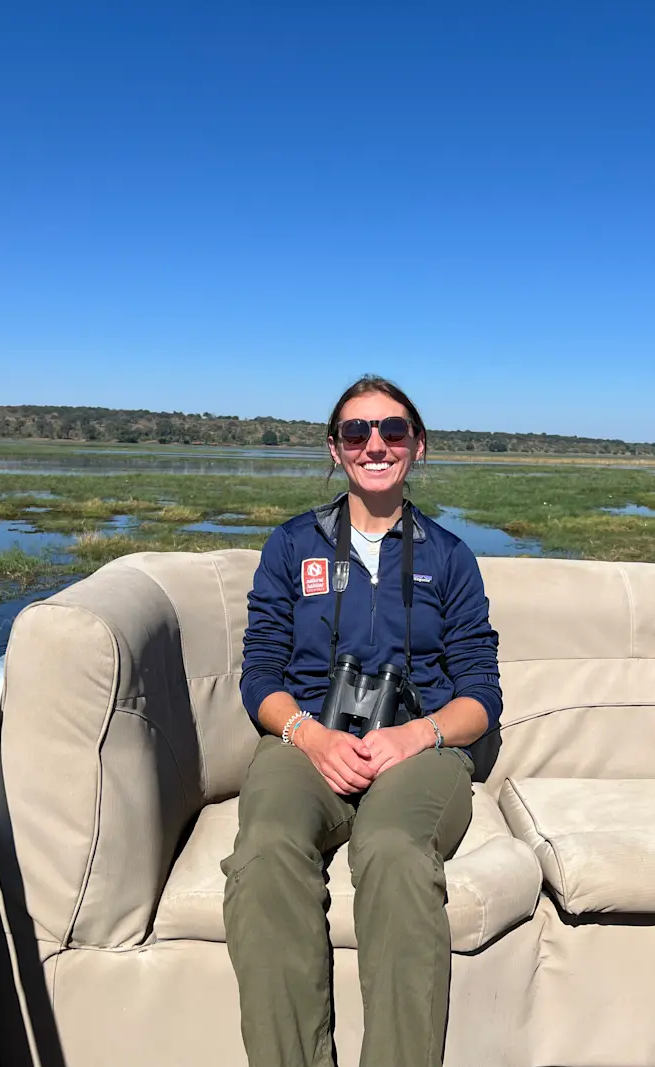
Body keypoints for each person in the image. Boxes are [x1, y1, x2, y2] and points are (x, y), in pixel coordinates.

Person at [222, 374, 502, 1067]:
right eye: (357, 431)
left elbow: (480, 696)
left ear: (418, 445)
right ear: (335, 448)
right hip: (308, 739)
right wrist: (311, 737)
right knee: (265, 850)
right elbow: (259, 674)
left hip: (417, 748)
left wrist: (416, 733)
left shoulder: (449, 557)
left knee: (394, 851)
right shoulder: (293, 547)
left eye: (393, 430)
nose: (375, 443)